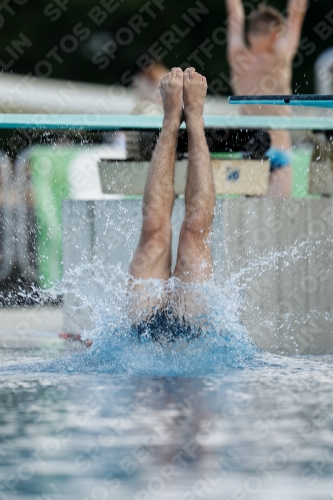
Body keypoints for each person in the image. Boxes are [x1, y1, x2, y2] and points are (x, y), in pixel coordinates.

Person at [128, 67, 215, 343]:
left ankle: (194, 117)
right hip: (145, 343)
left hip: (189, 345)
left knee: (195, 226)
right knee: (154, 226)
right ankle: (171, 119)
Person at [225, 0, 307, 197]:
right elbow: (296, 11)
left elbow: (235, 13)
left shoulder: (237, 57)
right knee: (277, 219)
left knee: (245, 222)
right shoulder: (281, 54)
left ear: (249, 34)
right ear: (275, 34)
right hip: (280, 147)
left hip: (247, 147)